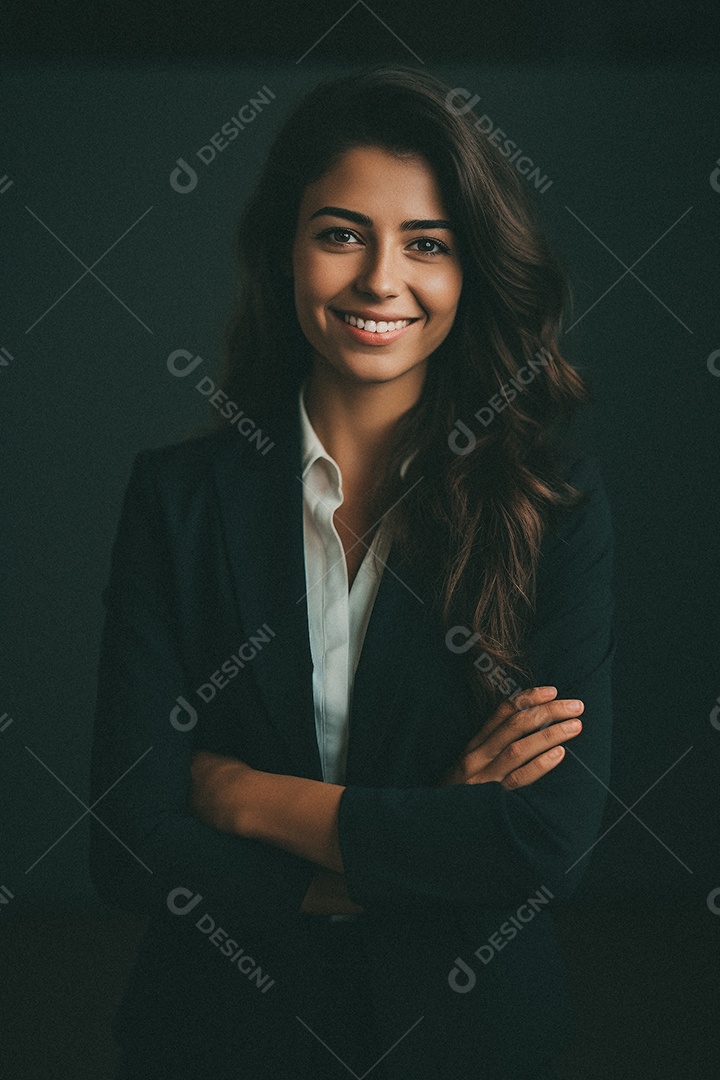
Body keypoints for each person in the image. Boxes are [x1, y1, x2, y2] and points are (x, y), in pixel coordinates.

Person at [90, 64, 616, 1080]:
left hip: (473, 1045)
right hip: (216, 1039)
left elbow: (548, 841)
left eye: (427, 244)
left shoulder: (559, 511)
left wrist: (248, 800)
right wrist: (423, 832)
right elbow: (128, 840)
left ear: (472, 272)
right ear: (284, 250)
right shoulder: (175, 501)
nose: (382, 279)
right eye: (341, 233)